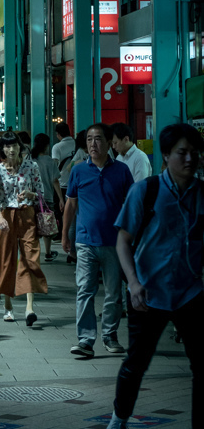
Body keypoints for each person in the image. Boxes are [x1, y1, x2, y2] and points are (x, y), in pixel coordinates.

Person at [104, 123, 204, 429]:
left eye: (195, 152)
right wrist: (132, 283)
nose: (190, 159)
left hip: (191, 293)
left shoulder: (202, 194)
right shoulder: (145, 192)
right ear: (165, 156)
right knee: (136, 364)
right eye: (182, 152)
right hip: (148, 294)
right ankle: (119, 418)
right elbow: (123, 241)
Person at [62, 123, 134, 358]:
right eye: (90, 139)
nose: (93, 144)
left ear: (108, 142)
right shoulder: (78, 170)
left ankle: (110, 335)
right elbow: (71, 205)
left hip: (114, 244)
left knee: (114, 292)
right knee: (85, 290)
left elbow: (131, 205)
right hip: (85, 242)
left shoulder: (122, 171)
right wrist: (65, 235)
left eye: (99, 139)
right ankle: (85, 340)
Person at [0, 131, 48, 325]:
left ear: (20, 147)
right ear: (2, 149)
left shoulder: (31, 166)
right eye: (7, 146)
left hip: (27, 214)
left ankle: (29, 307)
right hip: (6, 216)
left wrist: (29, 194)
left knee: (30, 257)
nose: (11, 149)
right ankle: (8, 306)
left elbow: (41, 193)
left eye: (14, 145)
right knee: (6, 259)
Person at [30, 133, 65, 262]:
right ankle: (48, 253)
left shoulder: (31, 160)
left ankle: (34, 253)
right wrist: (61, 199)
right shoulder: (50, 161)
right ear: (46, 145)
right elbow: (55, 181)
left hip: (32, 198)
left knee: (33, 225)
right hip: (47, 198)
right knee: (46, 226)